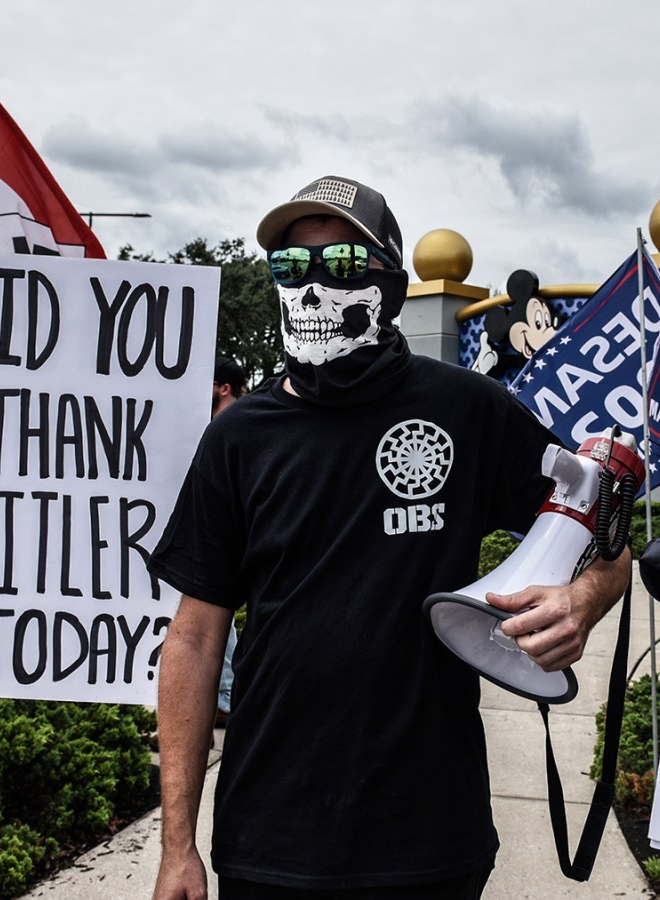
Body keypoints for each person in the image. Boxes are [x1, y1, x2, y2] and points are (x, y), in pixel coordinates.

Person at [148, 175, 631, 899]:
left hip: (430, 834)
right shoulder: (238, 436)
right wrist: (176, 845)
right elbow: (192, 638)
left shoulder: (468, 409)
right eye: (291, 265)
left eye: (341, 264)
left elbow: (608, 540)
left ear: (391, 287)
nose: (311, 286)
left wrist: (583, 601)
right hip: (270, 833)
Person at [210, 355, 246, 726]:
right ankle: (222, 699)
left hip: (228, 539)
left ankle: (225, 697)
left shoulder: (236, 427)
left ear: (223, 388)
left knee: (214, 619)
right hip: (219, 536)